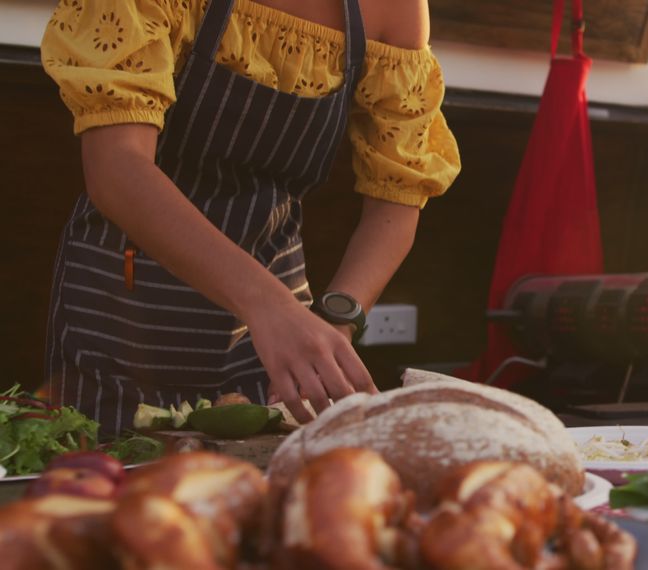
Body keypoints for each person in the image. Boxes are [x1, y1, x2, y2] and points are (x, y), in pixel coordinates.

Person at [39, 0, 460, 435]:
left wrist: (335, 322)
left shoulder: (396, 10)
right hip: (126, 316)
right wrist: (266, 304)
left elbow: (397, 198)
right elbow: (116, 168)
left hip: (281, 330)